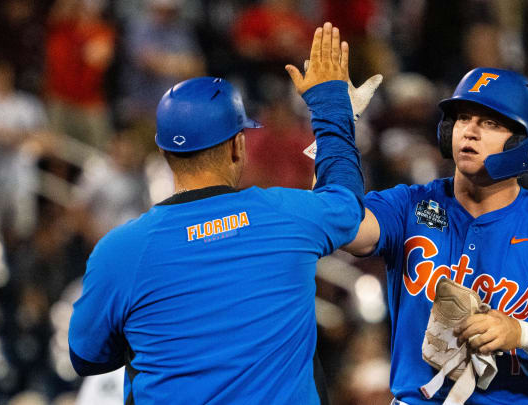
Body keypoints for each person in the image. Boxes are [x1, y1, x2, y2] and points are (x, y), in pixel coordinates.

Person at [69, 22, 365, 404]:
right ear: (238, 146)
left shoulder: (120, 250)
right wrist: (330, 103)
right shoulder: (289, 214)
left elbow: (86, 356)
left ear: (164, 154)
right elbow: (346, 200)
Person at [342, 67, 528, 404]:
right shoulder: (408, 206)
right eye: (462, 118)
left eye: (490, 123)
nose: (469, 131)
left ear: (522, 141)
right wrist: (335, 126)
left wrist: (521, 333)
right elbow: (340, 225)